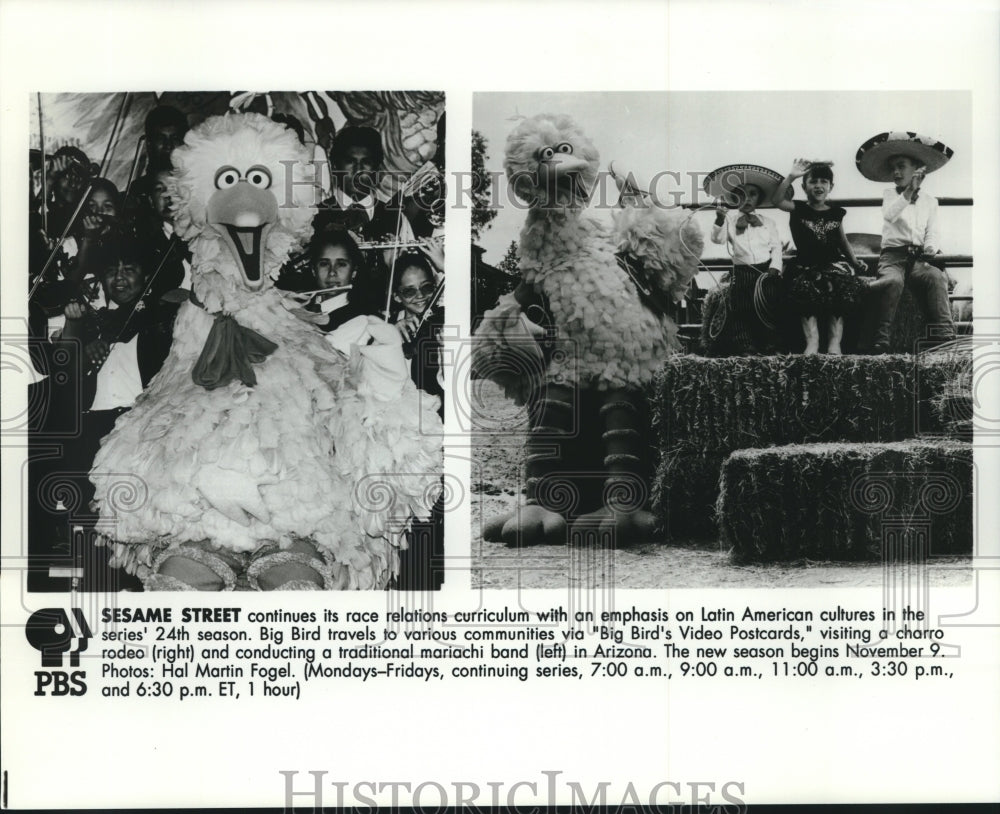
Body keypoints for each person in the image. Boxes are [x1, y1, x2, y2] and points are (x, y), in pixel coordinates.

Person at [855, 131, 956, 352]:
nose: (896, 172)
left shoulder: (930, 202)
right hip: (893, 256)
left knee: (936, 278)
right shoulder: (890, 194)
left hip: (918, 256)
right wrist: (909, 191)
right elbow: (890, 215)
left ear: (917, 170)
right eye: (893, 168)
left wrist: (929, 250)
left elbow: (932, 230)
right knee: (893, 282)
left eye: (901, 166)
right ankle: (881, 339)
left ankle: (944, 337)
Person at [389, 250, 444, 591]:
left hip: (436, 446)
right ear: (396, 295)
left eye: (427, 287)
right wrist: (389, 338)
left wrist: (443, 267)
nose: (420, 297)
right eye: (410, 291)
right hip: (398, 449)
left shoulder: (442, 324)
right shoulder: (383, 329)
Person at [772, 160, 867, 354]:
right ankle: (812, 341)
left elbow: (843, 242)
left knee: (841, 290)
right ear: (804, 186)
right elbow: (777, 200)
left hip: (832, 265)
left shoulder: (835, 214)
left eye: (824, 181)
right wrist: (791, 175)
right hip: (805, 265)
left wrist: (855, 263)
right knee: (804, 290)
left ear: (831, 186)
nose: (818, 186)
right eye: (813, 181)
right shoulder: (797, 208)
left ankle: (834, 342)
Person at [705, 164, 784, 354]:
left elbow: (776, 247)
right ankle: (745, 345)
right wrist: (719, 220)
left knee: (767, 307)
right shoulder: (730, 221)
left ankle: (770, 345)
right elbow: (718, 239)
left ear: (759, 198)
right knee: (740, 308)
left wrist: (775, 267)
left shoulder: (768, 223)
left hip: (765, 273)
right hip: (742, 272)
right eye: (741, 194)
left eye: (752, 194)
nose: (747, 199)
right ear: (734, 198)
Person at [304, 231, 372, 332]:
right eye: (324, 264)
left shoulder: (362, 319)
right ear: (314, 270)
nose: (332, 272)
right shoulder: (297, 307)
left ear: (354, 272)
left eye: (341, 264)